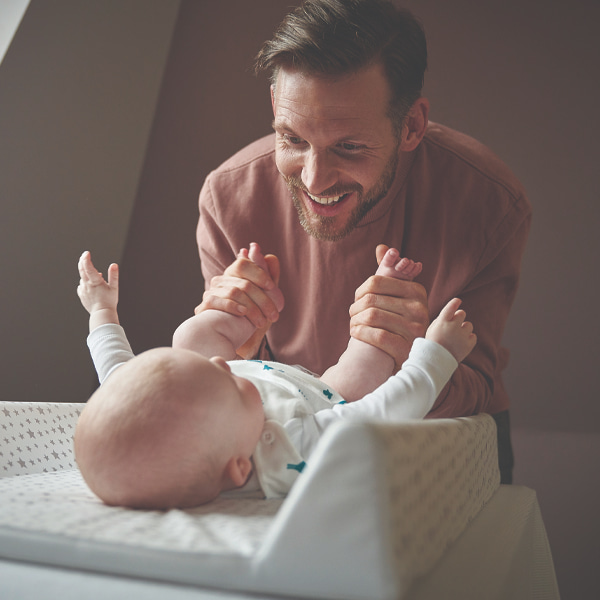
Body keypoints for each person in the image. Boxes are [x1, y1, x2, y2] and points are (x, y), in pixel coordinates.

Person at [194, 0, 531, 483]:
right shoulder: (228, 198)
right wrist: (231, 345)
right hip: (291, 435)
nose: (313, 178)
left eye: (348, 147)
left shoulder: (489, 202)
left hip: (441, 442)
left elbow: (476, 383)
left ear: (411, 125)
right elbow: (230, 388)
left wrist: (417, 354)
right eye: (292, 139)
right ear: (274, 106)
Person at [74, 247, 475, 509]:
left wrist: (101, 310)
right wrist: (437, 356)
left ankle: (246, 297)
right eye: (225, 385)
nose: (218, 366)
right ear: (238, 468)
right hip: (320, 393)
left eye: (204, 373)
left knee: (189, 338)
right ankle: (388, 293)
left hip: (259, 369)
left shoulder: (208, 410)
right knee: (362, 375)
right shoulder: (285, 447)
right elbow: (383, 411)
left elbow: (117, 373)